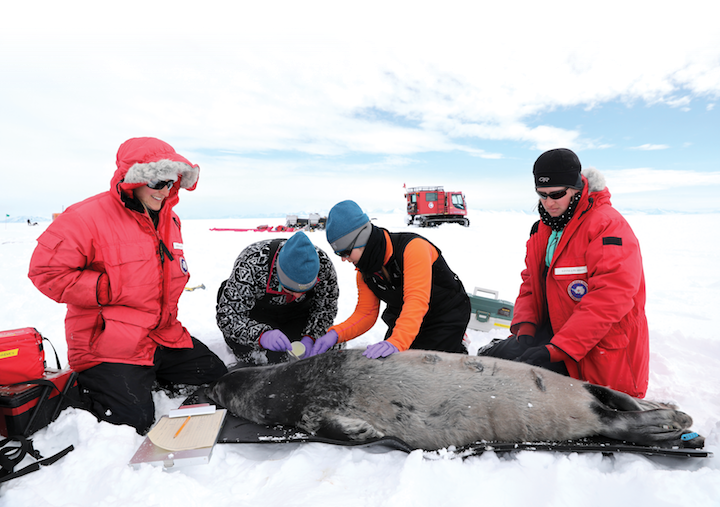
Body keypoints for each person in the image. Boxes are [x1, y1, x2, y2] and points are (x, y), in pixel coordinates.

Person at [28, 137, 228, 434]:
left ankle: (145, 376)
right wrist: (110, 288)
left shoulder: (169, 219)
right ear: (134, 179)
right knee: (133, 422)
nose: (166, 191)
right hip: (109, 344)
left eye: (172, 183)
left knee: (216, 378)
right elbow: (46, 272)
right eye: (158, 183)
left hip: (161, 335)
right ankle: (90, 388)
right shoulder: (85, 217)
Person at [478, 148, 649, 398]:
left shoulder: (607, 225)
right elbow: (530, 283)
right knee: (495, 361)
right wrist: (525, 328)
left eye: (557, 194)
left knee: (519, 385)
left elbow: (610, 298)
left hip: (594, 348)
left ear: (576, 187)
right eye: (542, 195)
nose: (549, 202)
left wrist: (558, 348)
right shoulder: (543, 229)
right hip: (556, 335)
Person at [308, 200, 470, 359]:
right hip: (405, 319)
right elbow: (366, 313)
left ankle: (458, 345)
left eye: (346, 252)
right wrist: (335, 334)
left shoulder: (413, 248)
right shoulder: (365, 272)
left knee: (426, 370)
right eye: (339, 254)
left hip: (444, 316)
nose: (344, 259)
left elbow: (416, 300)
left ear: (362, 239)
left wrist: (397, 342)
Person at [216, 231, 340, 365]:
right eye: (291, 289)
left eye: (304, 290)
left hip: (297, 314)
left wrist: (310, 336)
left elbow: (326, 309)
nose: (298, 295)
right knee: (263, 360)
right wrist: (261, 336)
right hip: (256, 314)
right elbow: (227, 316)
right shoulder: (252, 262)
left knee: (322, 352)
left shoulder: (324, 265)